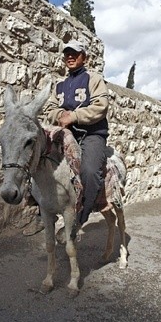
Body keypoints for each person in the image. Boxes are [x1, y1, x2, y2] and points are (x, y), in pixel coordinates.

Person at [44, 39, 110, 237]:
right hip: (66, 134)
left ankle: (79, 220)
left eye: (75, 53)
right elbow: (49, 109)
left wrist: (74, 116)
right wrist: (60, 116)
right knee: (40, 160)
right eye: (67, 54)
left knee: (89, 171)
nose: (70, 57)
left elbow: (101, 106)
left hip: (92, 134)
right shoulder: (60, 86)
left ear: (84, 57)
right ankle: (41, 210)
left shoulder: (94, 79)